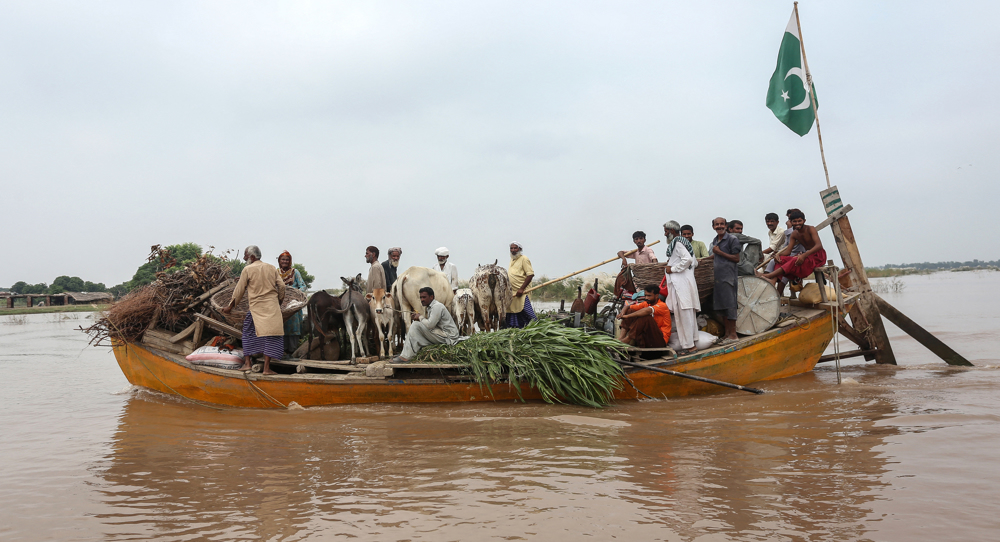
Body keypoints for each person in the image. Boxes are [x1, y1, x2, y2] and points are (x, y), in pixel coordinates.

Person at [223, 245, 285, 374]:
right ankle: (266, 368)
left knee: (247, 333)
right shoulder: (271, 268)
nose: (244, 258)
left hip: (256, 308)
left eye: (245, 256)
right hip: (272, 308)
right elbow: (282, 286)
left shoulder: (247, 269)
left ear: (252, 257)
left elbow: (239, 290)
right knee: (271, 336)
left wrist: (230, 306)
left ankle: (247, 364)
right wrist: (278, 301)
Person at [662, 221, 701, 354]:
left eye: (666, 231)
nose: (665, 234)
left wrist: (672, 269)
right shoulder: (685, 243)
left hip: (681, 285)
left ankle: (690, 347)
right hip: (686, 283)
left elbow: (688, 260)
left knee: (684, 314)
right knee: (688, 314)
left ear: (672, 231)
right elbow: (694, 262)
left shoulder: (678, 243)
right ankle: (692, 342)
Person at [760, 210, 827, 286]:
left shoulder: (810, 229)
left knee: (795, 259)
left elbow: (819, 246)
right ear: (791, 222)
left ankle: (768, 276)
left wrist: (803, 255)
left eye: (799, 221)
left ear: (804, 221)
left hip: (818, 256)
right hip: (806, 256)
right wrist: (778, 255)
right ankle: (773, 281)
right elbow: (788, 251)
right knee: (780, 259)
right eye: (794, 221)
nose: (797, 223)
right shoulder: (794, 234)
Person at [393, 287, 460, 362]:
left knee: (416, 325)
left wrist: (420, 317)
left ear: (431, 297)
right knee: (416, 325)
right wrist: (418, 318)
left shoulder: (437, 306)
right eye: (421, 297)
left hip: (449, 336)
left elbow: (430, 325)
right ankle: (406, 353)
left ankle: (406, 356)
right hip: (442, 333)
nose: (422, 300)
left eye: (424, 297)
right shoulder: (431, 307)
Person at [710, 217, 740, 344]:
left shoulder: (732, 239)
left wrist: (719, 252)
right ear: (713, 227)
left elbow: (736, 258)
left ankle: (733, 335)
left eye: (722, 224)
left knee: (730, 305)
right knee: (722, 307)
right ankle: (727, 334)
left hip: (728, 277)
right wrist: (703, 260)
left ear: (726, 225)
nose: (719, 226)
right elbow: (715, 255)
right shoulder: (715, 240)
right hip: (718, 278)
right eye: (717, 224)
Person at [277, 250, 306, 356]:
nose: (285, 261)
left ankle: (293, 351)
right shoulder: (276, 272)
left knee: (293, 327)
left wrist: (294, 294)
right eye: (283, 259)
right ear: (279, 261)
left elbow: (303, 286)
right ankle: (282, 351)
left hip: (293, 303)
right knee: (281, 325)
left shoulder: (295, 272)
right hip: (280, 303)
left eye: (287, 260)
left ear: (290, 261)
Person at [506, 242, 536, 328]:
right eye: (511, 248)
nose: (513, 250)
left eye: (515, 248)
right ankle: (515, 328)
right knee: (512, 311)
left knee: (526, 310)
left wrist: (521, 289)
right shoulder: (512, 259)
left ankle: (534, 326)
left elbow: (530, 274)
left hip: (522, 292)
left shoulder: (524, 259)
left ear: (519, 249)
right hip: (512, 292)